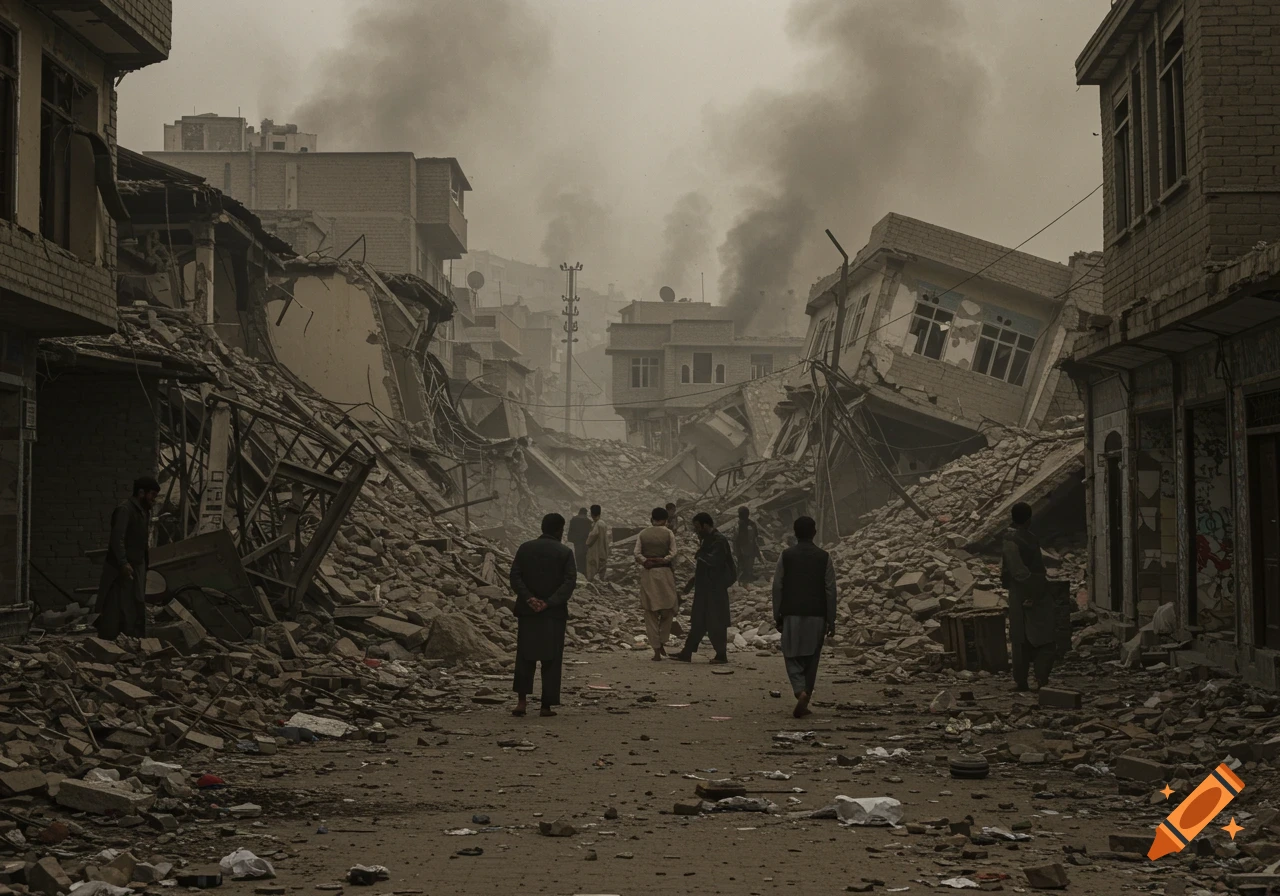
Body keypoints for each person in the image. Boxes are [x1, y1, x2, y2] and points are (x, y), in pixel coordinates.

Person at [510, 513, 577, 718]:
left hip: (528, 613)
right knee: (551, 659)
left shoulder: (525, 548)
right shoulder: (565, 552)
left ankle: (522, 703)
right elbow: (569, 582)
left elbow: (515, 576)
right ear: (559, 530)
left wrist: (530, 599)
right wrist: (549, 602)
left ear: (542, 527)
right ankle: (545, 706)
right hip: (553, 614)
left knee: (524, 656)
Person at [772, 516, 836, 718]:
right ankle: (806, 695)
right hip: (817, 615)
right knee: (812, 658)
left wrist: (777, 614)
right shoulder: (824, 557)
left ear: (795, 533)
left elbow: (777, 586)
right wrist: (831, 618)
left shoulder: (786, 556)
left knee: (791, 655)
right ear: (814, 533)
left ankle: (800, 690)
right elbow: (830, 590)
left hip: (791, 613)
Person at [95, 476, 160, 640]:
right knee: (116, 607)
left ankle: (132, 642)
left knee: (134, 605)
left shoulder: (142, 511)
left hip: (136, 565)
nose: (154, 499)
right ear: (141, 493)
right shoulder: (125, 509)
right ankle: (111, 642)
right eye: (152, 495)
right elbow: (118, 538)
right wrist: (123, 562)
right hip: (121, 569)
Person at [1003, 501, 1056, 692]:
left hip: (1021, 590)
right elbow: (1024, 570)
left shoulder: (1011, 540)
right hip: (1033, 588)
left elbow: (1017, 571)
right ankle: (1037, 679)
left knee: (1022, 637)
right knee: (1038, 635)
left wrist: (1030, 587)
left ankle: (1026, 680)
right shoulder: (1030, 538)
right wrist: (1036, 587)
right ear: (1029, 519)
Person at [671, 512, 735, 664]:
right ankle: (686, 653)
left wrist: (701, 555)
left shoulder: (719, 540)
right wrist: (690, 585)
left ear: (706, 525)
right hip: (705, 588)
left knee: (716, 623)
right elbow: (702, 568)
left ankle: (721, 655)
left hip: (715, 589)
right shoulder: (708, 539)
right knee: (699, 622)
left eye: (697, 527)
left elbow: (715, 562)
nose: (696, 530)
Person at [634, 506, 678, 660]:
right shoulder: (669, 533)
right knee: (668, 609)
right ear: (666, 520)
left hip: (649, 575)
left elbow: (637, 553)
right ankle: (663, 641)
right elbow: (673, 552)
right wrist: (663, 559)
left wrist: (646, 561)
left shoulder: (643, 533)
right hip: (665, 573)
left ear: (651, 519)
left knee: (650, 612)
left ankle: (656, 650)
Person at [733, 506, 763, 584]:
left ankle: (748, 577)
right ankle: (742, 579)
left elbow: (755, 536)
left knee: (749, 564)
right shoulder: (738, 525)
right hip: (742, 548)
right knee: (742, 565)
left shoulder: (751, 524)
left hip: (750, 547)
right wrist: (736, 550)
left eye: (742, 514)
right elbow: (735, 539)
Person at [585, 504, 610, 582]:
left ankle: (592, 584)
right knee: (601, 568)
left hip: (595, 549)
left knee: (593, 568)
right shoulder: (603, 523)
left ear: (592, 514)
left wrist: (587, 542)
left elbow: (593, 534)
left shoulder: (597, 524)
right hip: (603, 549)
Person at [567, 507, 592, 574]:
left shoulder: (574, 519)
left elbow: (571, 529)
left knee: (578, 553)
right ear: (585, 513)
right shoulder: (588, 521)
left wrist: (570, 538)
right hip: (585, 541)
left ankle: (579, 568)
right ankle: (583, 569)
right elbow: (590, 532)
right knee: (584, 554)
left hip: (577, 540)